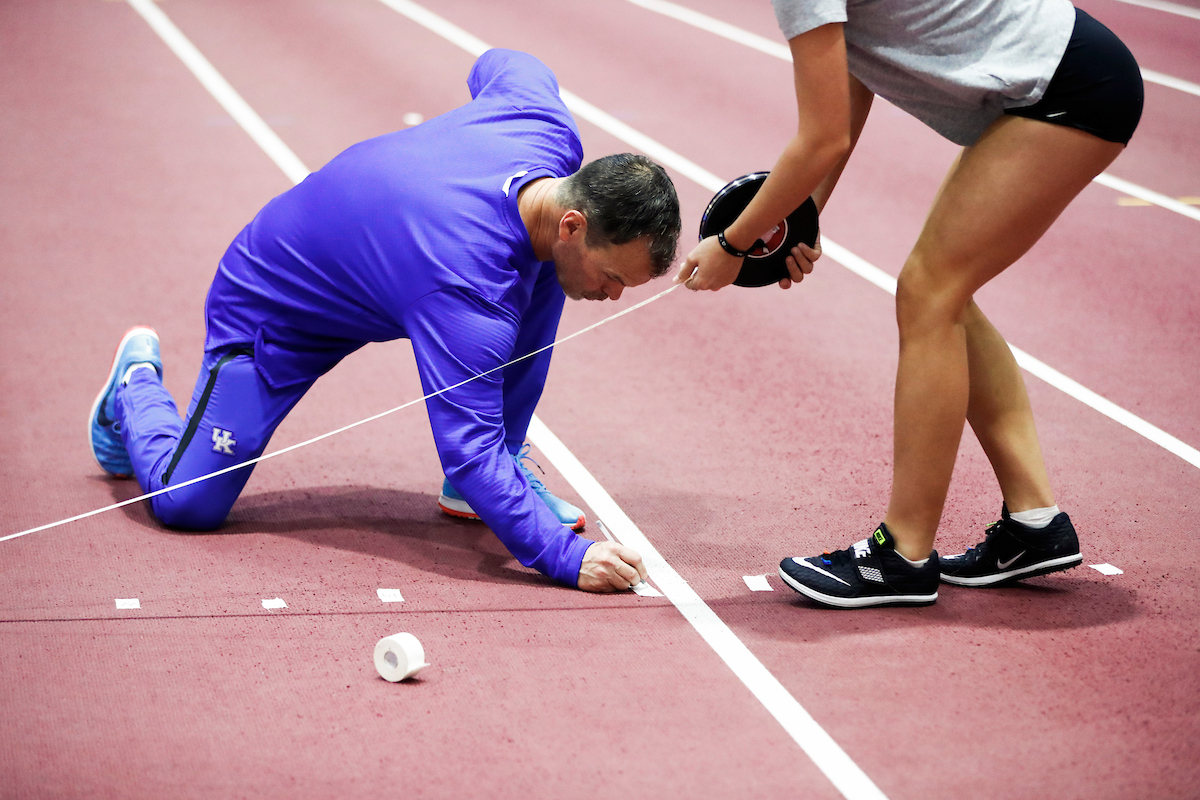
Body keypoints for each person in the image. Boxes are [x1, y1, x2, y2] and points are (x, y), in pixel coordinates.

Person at [87, 48, 681, 593]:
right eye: (615, 277)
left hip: (395, 275)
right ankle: (134, 387)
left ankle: (504, 462)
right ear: (575, 223)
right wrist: (566, 558)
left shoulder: (544, 129)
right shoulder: (468, 287)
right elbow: (467, 451)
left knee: (549, 269)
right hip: (276, 304)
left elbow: (506, 63)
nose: (614, 295)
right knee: (188, 504)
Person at [677, 0, 1142, 607]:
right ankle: (1035, 524)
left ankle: (902, 554)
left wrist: (735, 243)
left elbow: (822, 136)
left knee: (929, 293)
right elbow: (854, 80)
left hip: (1068, 88)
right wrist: (802, 218)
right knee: (944, 293)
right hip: (1071, 74)